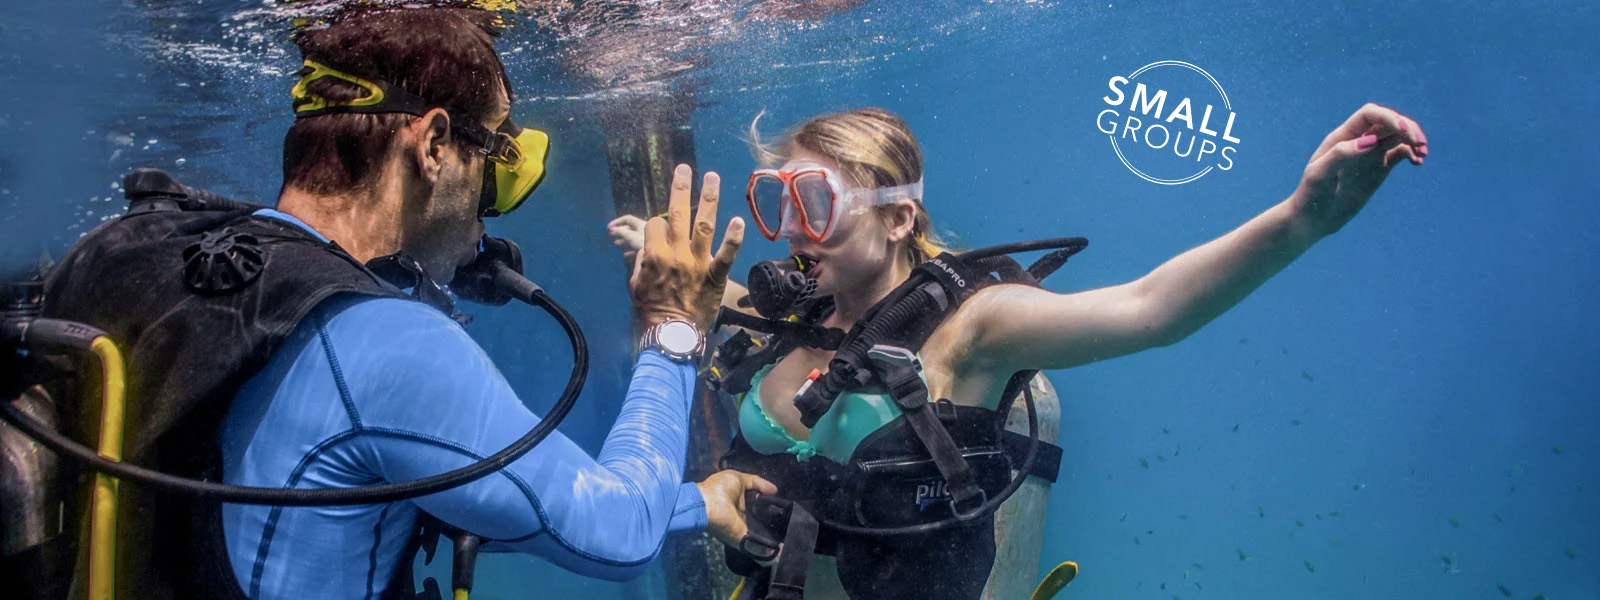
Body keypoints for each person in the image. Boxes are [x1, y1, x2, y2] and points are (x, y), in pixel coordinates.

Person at [18, 7, 774, 600]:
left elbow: (374, 493)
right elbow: (617, 534)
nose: (490, 209)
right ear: (435, 143)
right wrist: (675, 330)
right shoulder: (382, 342)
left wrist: (696, 503)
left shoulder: (155, 254)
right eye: (498, 161)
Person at [607, 105, 1428, 599]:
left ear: (899, 218)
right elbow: (718, 306)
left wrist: (1300, 220)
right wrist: (658, 256)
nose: (791, 230)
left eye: (817, 203)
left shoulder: (977, 330)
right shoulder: (799, 307)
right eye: (777, 200)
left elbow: (1150, 310)